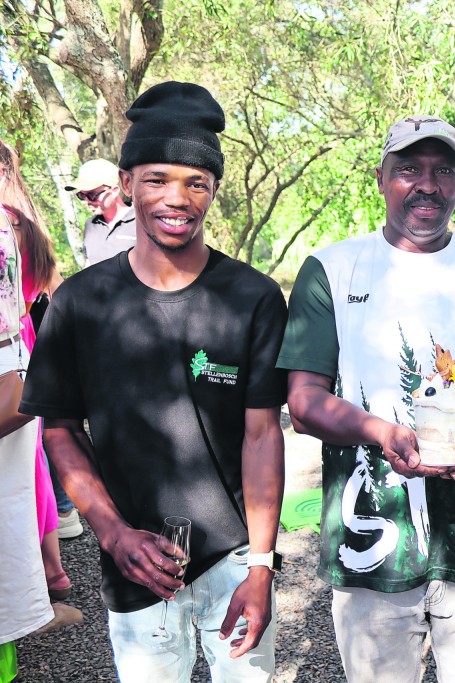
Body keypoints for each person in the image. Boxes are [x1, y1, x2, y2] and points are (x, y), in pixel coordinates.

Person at [21, 81, 287, 682]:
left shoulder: (253, 298)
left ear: (214, 191)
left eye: (197, 183)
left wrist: (263, 568)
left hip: (235, 559)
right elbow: (59, 427)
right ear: (126, 183)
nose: (178, 198)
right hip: (135, 564)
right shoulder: (81, 304)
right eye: (157, 179)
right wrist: (114, 535)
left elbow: (263, 435)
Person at [278, 115, 455, 683]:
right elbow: (304, 402)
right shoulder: (331, 269)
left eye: (443, 170)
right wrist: (381, 433)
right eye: (409, 169)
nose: (427, 184)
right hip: (372, 548)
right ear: (381, 178)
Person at [0, 140, 80, 668]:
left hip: (12, 356)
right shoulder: (21, 221)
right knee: (26, 484)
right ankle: (44, 583)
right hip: (20, 354)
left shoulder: (9, 225)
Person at [65, 158, 136, 264]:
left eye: (91, 195)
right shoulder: (91, 225)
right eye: (82, 195)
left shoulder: (141, 220)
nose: (86, 201)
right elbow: (89, 264)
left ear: (114, 191)